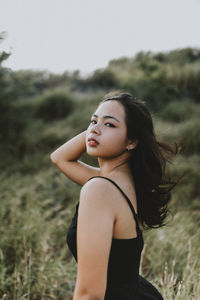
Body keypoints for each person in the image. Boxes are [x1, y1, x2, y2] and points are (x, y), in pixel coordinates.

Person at [50, 91, 178, 300]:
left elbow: (90, 294)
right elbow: (60, 158)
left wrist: (97, 127)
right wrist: (99, 127)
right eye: (92, 121)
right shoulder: (121, 183)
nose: (94, 129)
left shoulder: (100, 190)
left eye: (110, 125)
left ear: (132, 141)